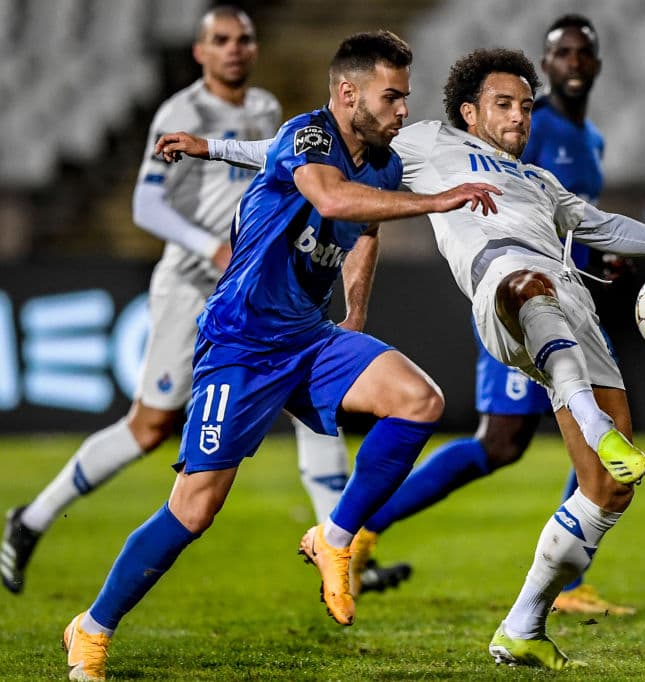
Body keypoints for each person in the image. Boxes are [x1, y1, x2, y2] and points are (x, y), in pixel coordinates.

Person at [175, 46, 645, 670]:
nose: (519, 118)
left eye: (525, 107)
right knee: (526, 288)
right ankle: (596, 429)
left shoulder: (540, 182)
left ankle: (524, 626)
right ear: (470, 111)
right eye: (504, 105)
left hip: (573, 309)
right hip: (504, 292)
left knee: (605, 491)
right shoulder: (428, 144)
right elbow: (304, 153)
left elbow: (602, 226)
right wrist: (214, 149)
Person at [60, 30, 499, 682]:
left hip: (309, 336)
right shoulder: (310, 136)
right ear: (348, 94)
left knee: (418, 402)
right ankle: (91, 629)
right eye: (392, 96)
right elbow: (330, 199)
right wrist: (436, 201)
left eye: (406, 97)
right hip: (239, 345)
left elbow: (364, 231)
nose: (404, 109)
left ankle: (336, 537)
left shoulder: (380, 163)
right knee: (195, 508)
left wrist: (355, 312)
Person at [0, 5, 409, 600]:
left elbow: (274, 154)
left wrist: (217, 150)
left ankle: (342, 547)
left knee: (317, 412)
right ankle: (33, 518)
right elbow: (145, 207)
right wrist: (208, 243)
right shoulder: (177, 111)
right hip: (194, 281)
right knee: (150, 427)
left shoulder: (271, 108)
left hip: (260, 279)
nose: (235, 49)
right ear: (199, 51)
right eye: (221, 40)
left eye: (244, 38)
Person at [335, 13, 634, 616]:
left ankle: (568, 581)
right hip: (517, 295)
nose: (574, 63)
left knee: (525, 438)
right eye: (561, 54)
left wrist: (598, 251)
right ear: (545, 69)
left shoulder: (592, 140)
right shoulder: (530, 126)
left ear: (596, 65)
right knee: (500, 442)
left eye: (584, 54)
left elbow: (558, 211)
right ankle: (364, 530)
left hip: (564, 290)